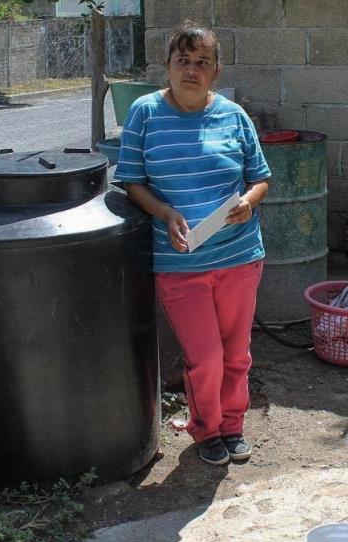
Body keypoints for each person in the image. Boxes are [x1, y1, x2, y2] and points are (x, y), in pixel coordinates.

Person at [115, 21, 271, 467]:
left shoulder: (234, 116)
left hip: (239, 255)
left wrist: (247, 200)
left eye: (202, 62)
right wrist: (165, 213)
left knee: (236, 354)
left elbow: (260, 178)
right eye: (183, 60)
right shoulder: (144, 114)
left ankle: (232, 425)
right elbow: (132, 182)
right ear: (167, 66)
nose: (191, 69)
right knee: (205, 357)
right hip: (180, 262)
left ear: (216, 71)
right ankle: (207, 430)